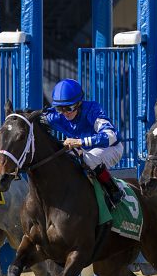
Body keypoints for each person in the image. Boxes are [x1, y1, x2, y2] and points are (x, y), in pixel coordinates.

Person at [41, 78, 124, 208]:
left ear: (79, 103)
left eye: (69, 108)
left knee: (89, 160)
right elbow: (34, 121)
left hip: (110, 148)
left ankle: (114, 191)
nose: (65, 113)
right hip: (83, 149)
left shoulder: (92, 109)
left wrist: (80, 142)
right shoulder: (56, 115)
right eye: (59, 108)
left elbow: (112, 136)